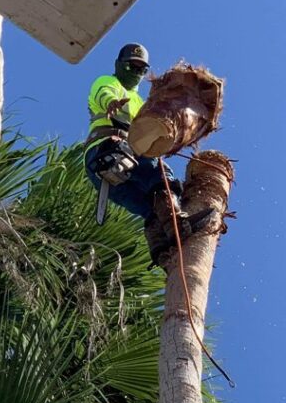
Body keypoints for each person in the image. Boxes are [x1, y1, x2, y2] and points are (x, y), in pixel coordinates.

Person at [84, 43, 212, 264]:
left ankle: (161, 249)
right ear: (119, 65)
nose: (136, 72)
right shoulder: (109, 82)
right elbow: (104, 94)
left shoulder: (141, 103)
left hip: (102, 167)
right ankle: (178, 224)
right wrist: (111, 103)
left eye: (141, 69)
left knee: (149, 208)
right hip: (113, 149)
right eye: (132, 66)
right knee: (162, 178)